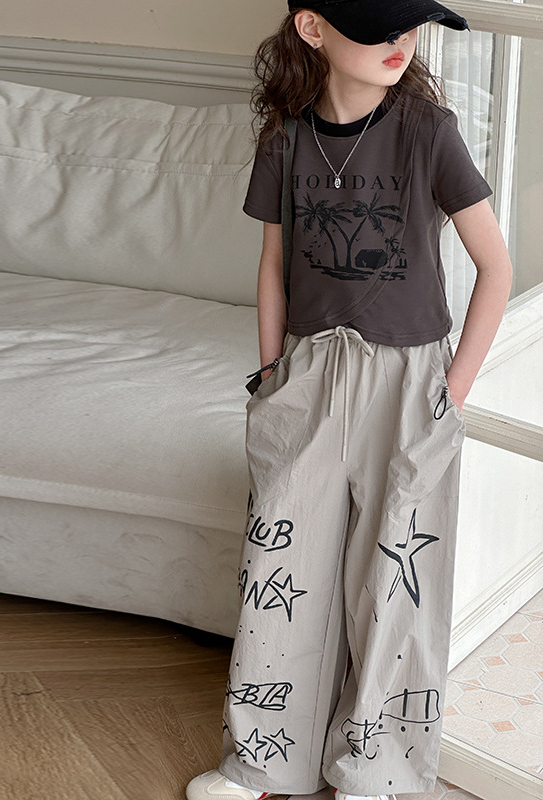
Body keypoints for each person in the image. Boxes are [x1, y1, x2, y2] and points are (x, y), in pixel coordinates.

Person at [186, 1, 514, 799]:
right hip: (308, 372)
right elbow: (273, 266)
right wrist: (272, 377)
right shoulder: (285, 139)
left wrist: (449, 396)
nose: (400, 42)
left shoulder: (427, 131)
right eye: (378, 25)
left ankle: (378, 769)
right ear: (313, 29)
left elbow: (496, 269)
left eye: (408, 25)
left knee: (396, 575)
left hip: (409, 380)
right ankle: (263, 761)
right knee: (280, 560)